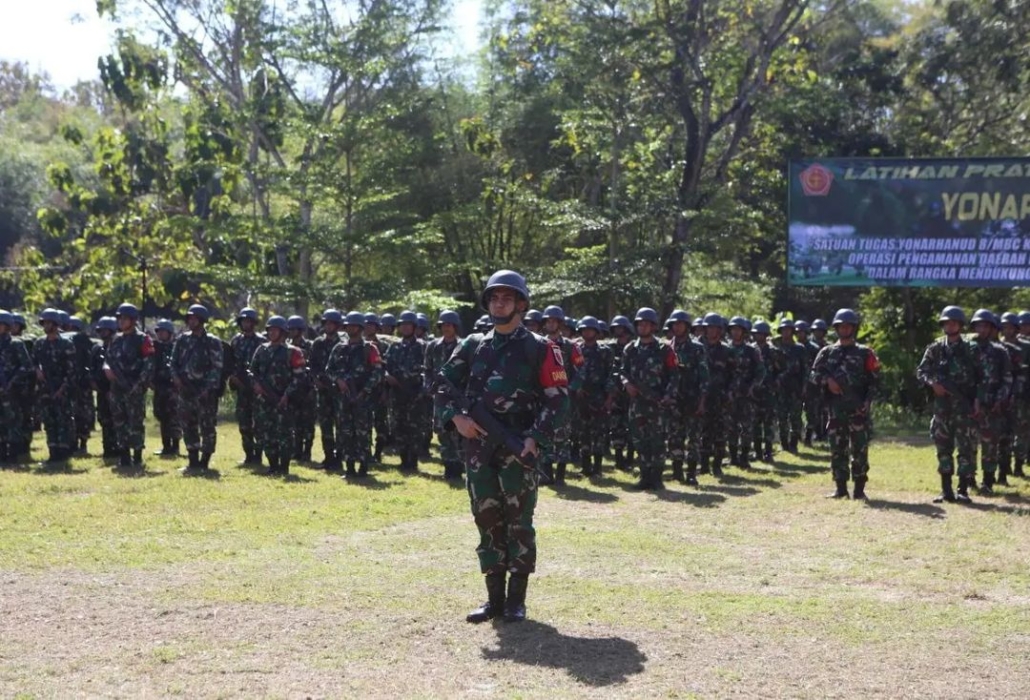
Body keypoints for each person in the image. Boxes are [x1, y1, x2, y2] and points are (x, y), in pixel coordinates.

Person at [435, 270, 569, 624]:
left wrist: (535, 438)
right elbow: (442, 385)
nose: (499, 304)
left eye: (507, 298)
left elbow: (558, 400)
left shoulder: (541, 348)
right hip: (478, 446)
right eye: (494, 298)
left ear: (521, 304)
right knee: (486, 517)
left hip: (518, 446)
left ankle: (516, 601)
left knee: (519, 522)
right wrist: (455, 419)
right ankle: (494, 600)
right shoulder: (472, 345)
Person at [811, 309, 881, 499]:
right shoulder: (827, 352)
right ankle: (840, 488)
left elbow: (875, 380)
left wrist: (867, 401)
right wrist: (828, 381)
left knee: (860, 450)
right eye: (841, 326)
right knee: (837, 449)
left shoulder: (865, 353)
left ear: (854, 328)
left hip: (858, 409)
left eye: (848, 326)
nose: (844, 329)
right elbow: (814, 375)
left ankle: (859, 490)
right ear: (836, 328)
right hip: (835, 410)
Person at [916, 306, 980, 503]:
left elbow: (981, 377)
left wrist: (977, 400)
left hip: (964, 407)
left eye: (954, 323)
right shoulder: (935, 348)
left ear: (960, 325)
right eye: (947, 323)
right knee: (943, 449)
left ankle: (963, 489)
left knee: (965, 449)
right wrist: (933, 384)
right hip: (942, 408)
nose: (950, 326)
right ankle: (946, 490)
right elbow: (922, 371)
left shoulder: (970, 348)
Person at [620, 307, 678, 490]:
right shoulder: (630, 349)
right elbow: (622, 371)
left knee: (658, 441)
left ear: (653, 327)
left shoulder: (664, 349)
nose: (642, 327)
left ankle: (657, 478)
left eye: (646, 324)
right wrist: (626, 384)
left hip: (657, 403)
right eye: (640, 324)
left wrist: (667, 396)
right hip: (637, 403)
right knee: (640, 440)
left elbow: (674, 375)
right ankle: (645, 477)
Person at [249, 316, 308, 476]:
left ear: (283, 332)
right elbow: (252, 372)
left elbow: (299, 376)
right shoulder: (261, 350)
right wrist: (256, 385)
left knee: (285, 434)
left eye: (275, 330)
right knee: (266, 433)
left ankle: (284, 466)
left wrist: (287, 395)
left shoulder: (293, 352)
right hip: (264, 400)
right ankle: (273, 465)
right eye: (270, 330)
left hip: (284, 400)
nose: (272, 333)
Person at [171, 304, 224, 475]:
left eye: (195, 318)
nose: (191, 321)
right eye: (190, 318)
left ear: (202, 320)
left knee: (207, 427)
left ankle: (205, 461)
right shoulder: (182, 340)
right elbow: (173, 362)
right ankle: (193, 460)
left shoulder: (212, 341)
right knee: (188, 425)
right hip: (185, 390)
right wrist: (177, 379)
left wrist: (208, 389)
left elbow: (217, 367)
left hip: (205, 392)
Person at [104, 303, 156, 469]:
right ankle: (124, 455)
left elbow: (149, 364)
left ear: (133, 320)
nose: (121, 321)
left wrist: (139, 385)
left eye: (125, 318)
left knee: (135, 422)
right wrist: (107, 369)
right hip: (117, 387)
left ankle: (137, 455)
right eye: (119, 318)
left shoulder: (143, 339)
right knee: (119, 421)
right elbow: (108, 359)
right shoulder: (115, 339)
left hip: (135, 386)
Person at [968, 309, 1011, 495]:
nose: (982, 329)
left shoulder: (1000, 352)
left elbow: (1007, 379)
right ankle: (968, 479)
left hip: (991, 405)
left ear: (992, 328)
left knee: (990, 445)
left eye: (986, 326)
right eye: (979, 326)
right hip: (969, 405)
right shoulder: (966, 349)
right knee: (968, 444)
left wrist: (1000, 399)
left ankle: (988, 481)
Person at [666, 310, 708, 484]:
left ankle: (691, 473)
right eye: (674, 324)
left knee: (694, 438)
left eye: (680, 324)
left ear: (687, 326)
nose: (677, 327)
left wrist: (702, 401)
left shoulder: (697, 348)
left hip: (693, 399)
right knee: (674, 436)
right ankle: (677, 471)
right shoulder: (666, 347)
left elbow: (704, 377)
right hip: (673, 400)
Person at [32, 308, 78, 463]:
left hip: (62, 388)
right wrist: (37, 371)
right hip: (45, 388)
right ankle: (53, 452)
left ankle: (63, 452)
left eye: (49, 323)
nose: (46, 326)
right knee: (49, 421)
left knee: (63, 420)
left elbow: (71, 370)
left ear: (56, 324)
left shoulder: (66, 344)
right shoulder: (40, 343)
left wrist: (62, 388)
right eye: (44, 323)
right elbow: (33, 362)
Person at [384, 311, 427, 472]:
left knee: (415, 428)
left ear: (414, 327)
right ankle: (403, 459)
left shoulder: (422, 347)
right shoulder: (394, 347)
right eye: (403, 325)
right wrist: (387, 376)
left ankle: (413, 461)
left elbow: (428, 369)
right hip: (397, 393)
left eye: (409, 325)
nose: (406, 328)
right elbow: (384, 366)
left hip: (415, 394)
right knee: (398, 426)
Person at [573, 316, 614, 478]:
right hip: (581, 397)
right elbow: (572, 371)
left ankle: (597, 468)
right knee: (583, 432)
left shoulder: (605, 351)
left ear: (596, 332)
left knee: (599, 433)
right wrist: (577, 388)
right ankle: (585, 467)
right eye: (584, 330)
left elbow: (611, 374)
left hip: (599, 397)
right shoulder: (576, 350)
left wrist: (609, 398)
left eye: (590, 329)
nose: (587, 332)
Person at [424, 310, 464, 480]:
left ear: (455, 327)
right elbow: (427, 369)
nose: (446, 328)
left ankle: (459, 466)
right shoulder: (433, 346)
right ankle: (448, 466)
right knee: (442, 431)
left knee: (458, 432)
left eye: (449, 325)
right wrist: (428, 387)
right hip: (440, 396)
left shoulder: (463, 345)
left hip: (458, 396)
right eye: (444, 325)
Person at [726, 316, 765, 470]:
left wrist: (753, 387)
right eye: (733, 329)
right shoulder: (726, 349)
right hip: (730, 394)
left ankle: (744, 457)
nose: (736, 332)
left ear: (743, 332)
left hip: (747, 395)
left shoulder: (752, 350)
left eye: (738, 330)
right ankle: (733, 457)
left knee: (747, 427)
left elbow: (761, 372)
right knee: (731, 427)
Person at [309, 309, 345, 470]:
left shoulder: (343, 343)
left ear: (337, 326)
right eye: (326, 323)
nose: (328, 326)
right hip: (323, 390)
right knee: (325, 424)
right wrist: (316, 380)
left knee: (341, 424)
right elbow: (312, 365)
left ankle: (339, 457)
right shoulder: (318, 343)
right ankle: (328, 456)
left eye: (332, 323)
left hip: (338, 390)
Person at [230, 308, 266, 465]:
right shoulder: (236, 341)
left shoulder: (261, 341)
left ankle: (258, 455)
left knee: (259, 423)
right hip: (241, 388)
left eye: (249, 321)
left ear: (253, 323)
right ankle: (248, 454)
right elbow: (230, 362)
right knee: (244, 423)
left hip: (257, 389)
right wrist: (233, 377)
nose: (246, 324)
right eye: (244, 321)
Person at [0, 309, 34, 466]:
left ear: (7, 326)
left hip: (12, 391)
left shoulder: (16, 344)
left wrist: (12, 381)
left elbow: (26, 366)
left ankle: (14, 455)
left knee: (13, 422)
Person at [287, 315, 316, 461]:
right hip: (293, 389)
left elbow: (315, 367)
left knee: (308, 423)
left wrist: (312, 387)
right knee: (294, 422)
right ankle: (296, 450)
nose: (292, 332)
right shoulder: (286, 347)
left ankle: (307, 451)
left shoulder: (310, 346)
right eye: (290, 329)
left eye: (295, 329)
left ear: (301, 330)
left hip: (308, 389)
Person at [152, 319, 181, 457]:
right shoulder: (155, 348)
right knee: (161, 416)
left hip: (172, 388)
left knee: (174, 417)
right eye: (159, 332)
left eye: (163, 332)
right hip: (159, 387)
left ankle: (175, 446)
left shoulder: (176, 348)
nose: (161, 334)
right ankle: (166, 446)